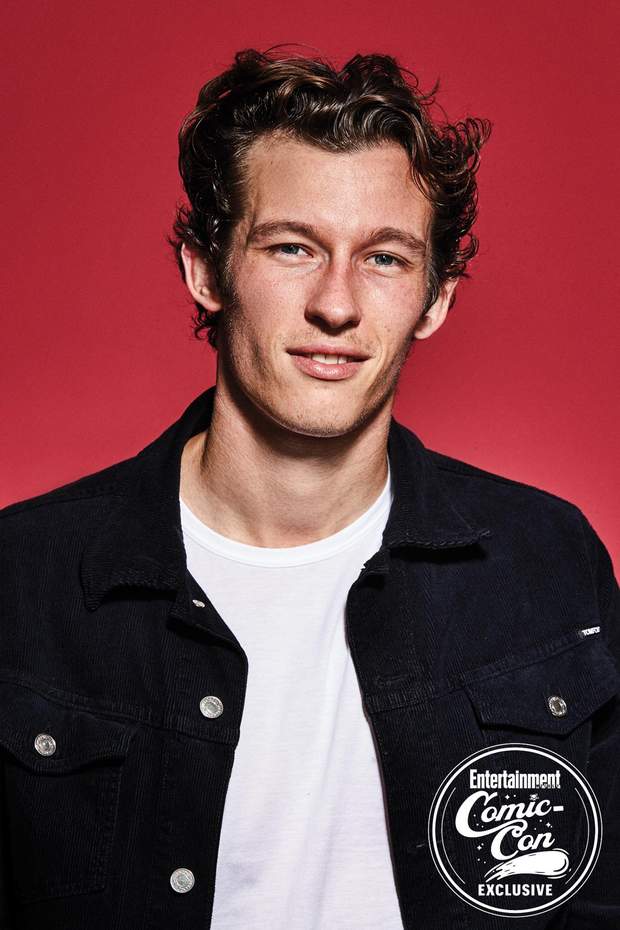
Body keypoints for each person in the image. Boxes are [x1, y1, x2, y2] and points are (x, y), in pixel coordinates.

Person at [1, 48, 618, 930]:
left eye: (385, 259)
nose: (336, 304)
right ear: (207, 271)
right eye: (292, 247)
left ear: (436, 298)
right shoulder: (24, 579)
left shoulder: (547, 562)